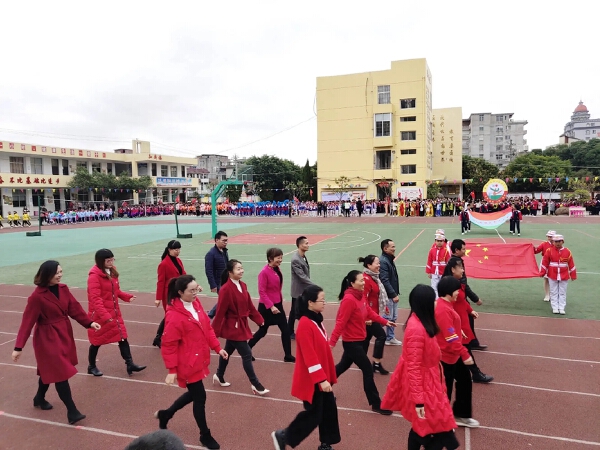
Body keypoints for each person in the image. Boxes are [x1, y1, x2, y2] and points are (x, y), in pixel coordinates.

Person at [12, 261, 101, 425]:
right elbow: (27, 322)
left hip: (64, 333)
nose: (60, 275)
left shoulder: (63, 289)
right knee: (60, 373)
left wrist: (89, 323)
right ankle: (72, 412)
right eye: (56, 273)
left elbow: (75, 308)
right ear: (47, 274)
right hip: (47, 338)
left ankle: (39, 398)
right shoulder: (36, 297)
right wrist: (18, 347)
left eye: (61, 271)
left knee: (50, 370)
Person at [381, 284, 459, 450]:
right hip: (424, 384)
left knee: (428, 426)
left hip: (430, 381)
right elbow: (413, 367)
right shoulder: (416, 329)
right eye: (434, 299)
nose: (437, 302)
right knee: (434, 426)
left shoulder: (423, 321)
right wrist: (418, 401)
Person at [155, 275, 227, 450]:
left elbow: (207, 328)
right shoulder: (174, 316)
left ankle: (166, 414)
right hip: (187, 363)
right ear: (180, 292)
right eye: (191, 290)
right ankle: (205, 434)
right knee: (200, 397)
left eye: (196, 289)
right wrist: (172, 370)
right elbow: (168, 345)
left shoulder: (196, 304)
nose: (196, 293)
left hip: (199, 357)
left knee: (195, 394)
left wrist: (217, 348)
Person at [272, 285, 340, 450]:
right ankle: (284, 436)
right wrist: (322, 379)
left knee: (329, 410)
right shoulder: (304, 324)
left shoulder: (316, 319)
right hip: (313, 380)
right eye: (321, 300)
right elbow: (310, 357)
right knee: (314, 414)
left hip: (322, 375)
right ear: (310, 302)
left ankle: (326, 443)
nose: (324, 303)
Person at [329, 270, 395, 415]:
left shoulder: (361, 296)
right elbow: (340, 323)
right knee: (367, 370)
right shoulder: (349, 300)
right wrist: (331, 343)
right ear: (352, 283)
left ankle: (322, 388)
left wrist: (385, 322)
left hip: (359, 340)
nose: (363, 282)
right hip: (351, 343)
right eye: (360, 281)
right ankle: (376, 404)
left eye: (363, 280)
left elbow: (369, 312)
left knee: (341, 367)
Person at [211, 259, 269, 395]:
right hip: (233, 327)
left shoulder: (243, 285)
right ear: (230, 272)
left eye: (242, 268)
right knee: (247, 354)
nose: (241, 271)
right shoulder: (225, 289)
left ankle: (219, 375)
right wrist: (213, 332)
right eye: (238, 269)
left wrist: (259, 320)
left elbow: (250, 306)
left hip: (241, 325)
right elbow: (220, 312)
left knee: (227, 352)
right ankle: (256, 385)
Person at [86, 249, 146, 377]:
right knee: (96, 341)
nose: (111, 262)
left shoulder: (112, 272)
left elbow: (115, 291)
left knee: (122, 337)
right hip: (100, 315)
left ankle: (130, 363)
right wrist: (105, 315)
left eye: (112, 259)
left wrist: (126, 296)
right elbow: (95, 299)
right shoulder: (94, 277)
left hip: (114, 313)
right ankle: (91, 366)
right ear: (101, 261)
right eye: (108, 260)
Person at [435, 276, 479, 428]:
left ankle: (461, 414)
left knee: (465, 380)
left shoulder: (447, 305)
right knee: (444, 387)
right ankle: (441, 422)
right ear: (449, 291)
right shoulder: (442, 309)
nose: (459, 294)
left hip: (453, 353)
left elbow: (450, 328)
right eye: (457, 291)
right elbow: (449, 336)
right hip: (446, 355)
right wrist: (465, 354)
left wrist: (459, 331)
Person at [442, 259, 493, 384]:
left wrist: (470, 310)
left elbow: (463, 300)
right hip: (456, 320)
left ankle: (465, 373)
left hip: (462, 319)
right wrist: (454, 325)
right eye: (460, 268)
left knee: (463, 347)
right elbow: (447, 305)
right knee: (463, 348)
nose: (463, 270)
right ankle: (475, 373)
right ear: (453, 270)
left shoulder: (458, 283)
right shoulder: (448, 285)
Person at [249, 248, 295, 362]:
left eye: (281, 257)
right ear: (270, 258)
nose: (280, 260)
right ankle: (247, 349)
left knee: (285, 330)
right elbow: (262, 292)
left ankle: (288, 356)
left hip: (278, 305)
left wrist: (278, 300)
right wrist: (271, 306)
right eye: (278, 257)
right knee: (263, 331)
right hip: (267, 307)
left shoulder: (276, 269)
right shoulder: (264, 272)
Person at [449, 239, 487, 351]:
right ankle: (465, 344)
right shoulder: (454, 263)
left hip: (461, 297)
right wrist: (475, 298)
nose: (465, 251)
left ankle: (471, 341)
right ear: (456, 250)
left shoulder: (457, 261)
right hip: (458, 298)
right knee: (461, 321)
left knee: (468, 318)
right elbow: (463, 285)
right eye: (463, 249)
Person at [359, 254, 390, 375]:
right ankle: (375, 364)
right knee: (381, 336)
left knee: (366, 339)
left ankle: (362, 361)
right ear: (369, 265)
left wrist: (385, 306)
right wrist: (367, 317)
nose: (379, 265)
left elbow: (377, 295)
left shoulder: (374, 277)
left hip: (374, 314)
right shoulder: (366, 280)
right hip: (370, 317)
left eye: (379, 263)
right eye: (377, 263)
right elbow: (364, 300)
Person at [154, 240, 185, 348]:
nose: (178, 251)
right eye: (175, 249)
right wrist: (158, 298)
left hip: (178, 292)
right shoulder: (163, 264)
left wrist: (193, 285)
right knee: (170, 315)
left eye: (179, 249)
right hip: (168, 294)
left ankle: (160, 337)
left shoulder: (178, 261)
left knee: (172, 315)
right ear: (169, 250)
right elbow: (160, 281)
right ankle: (158, 338)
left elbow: (183, 275)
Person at [540, 234, 577, 315]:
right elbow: (545, 262)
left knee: (562, 292)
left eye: (559, 241)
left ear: (562, 241)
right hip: (552, 274)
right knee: (553, 291)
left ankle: (561, 307)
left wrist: (573, 275)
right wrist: (542, 272)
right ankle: (555, 307)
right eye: (555, 241)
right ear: (553, 242)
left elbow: (571, 264)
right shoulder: (549, 251)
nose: (557, 243)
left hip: (564, 275)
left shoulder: (567, 251)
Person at [289, 236, 314, 339]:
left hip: (304, 289)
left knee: (302, 311)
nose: (308, 245)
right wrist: (313, 285)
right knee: (294, 311)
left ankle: (303, 330)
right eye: (306, 243)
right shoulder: (295, 259)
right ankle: (289, 331)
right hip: (298, 290)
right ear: (300, 245)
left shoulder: (303, 256)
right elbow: (301, 276)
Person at [379, 239, 401, 345]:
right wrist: (393, 294)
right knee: (388, 317)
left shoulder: (389, 259)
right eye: (392, 247)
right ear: (385, 248)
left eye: (394, 246)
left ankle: (390, 338)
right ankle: (370, 329)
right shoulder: (383, 261)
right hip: (389, 295)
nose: (394, 249)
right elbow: (384, 280)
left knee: (393, 317)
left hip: (393, 293)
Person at [205, 231, 229, 319]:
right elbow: (209, 270)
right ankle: (212, 314)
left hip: (227, 280)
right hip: (218, 282)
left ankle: (213, 314)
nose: (226, 242)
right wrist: (213, 285)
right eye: (224, 240)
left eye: (226, 241)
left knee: (226, 299)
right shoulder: (211, 254)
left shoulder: (224, 251)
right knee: (225, 299)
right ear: (216, 240)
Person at [534, 230, 556, 302]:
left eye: (551, 236)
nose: (549, 238)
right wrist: (532, 247)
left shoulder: (557, 244)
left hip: (554, 262)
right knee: (546, 279)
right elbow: (536, 251)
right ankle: (547, 294)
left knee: (554, 279)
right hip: (545, 262)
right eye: (548, 236)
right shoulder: (544, 244)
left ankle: (554, 294)